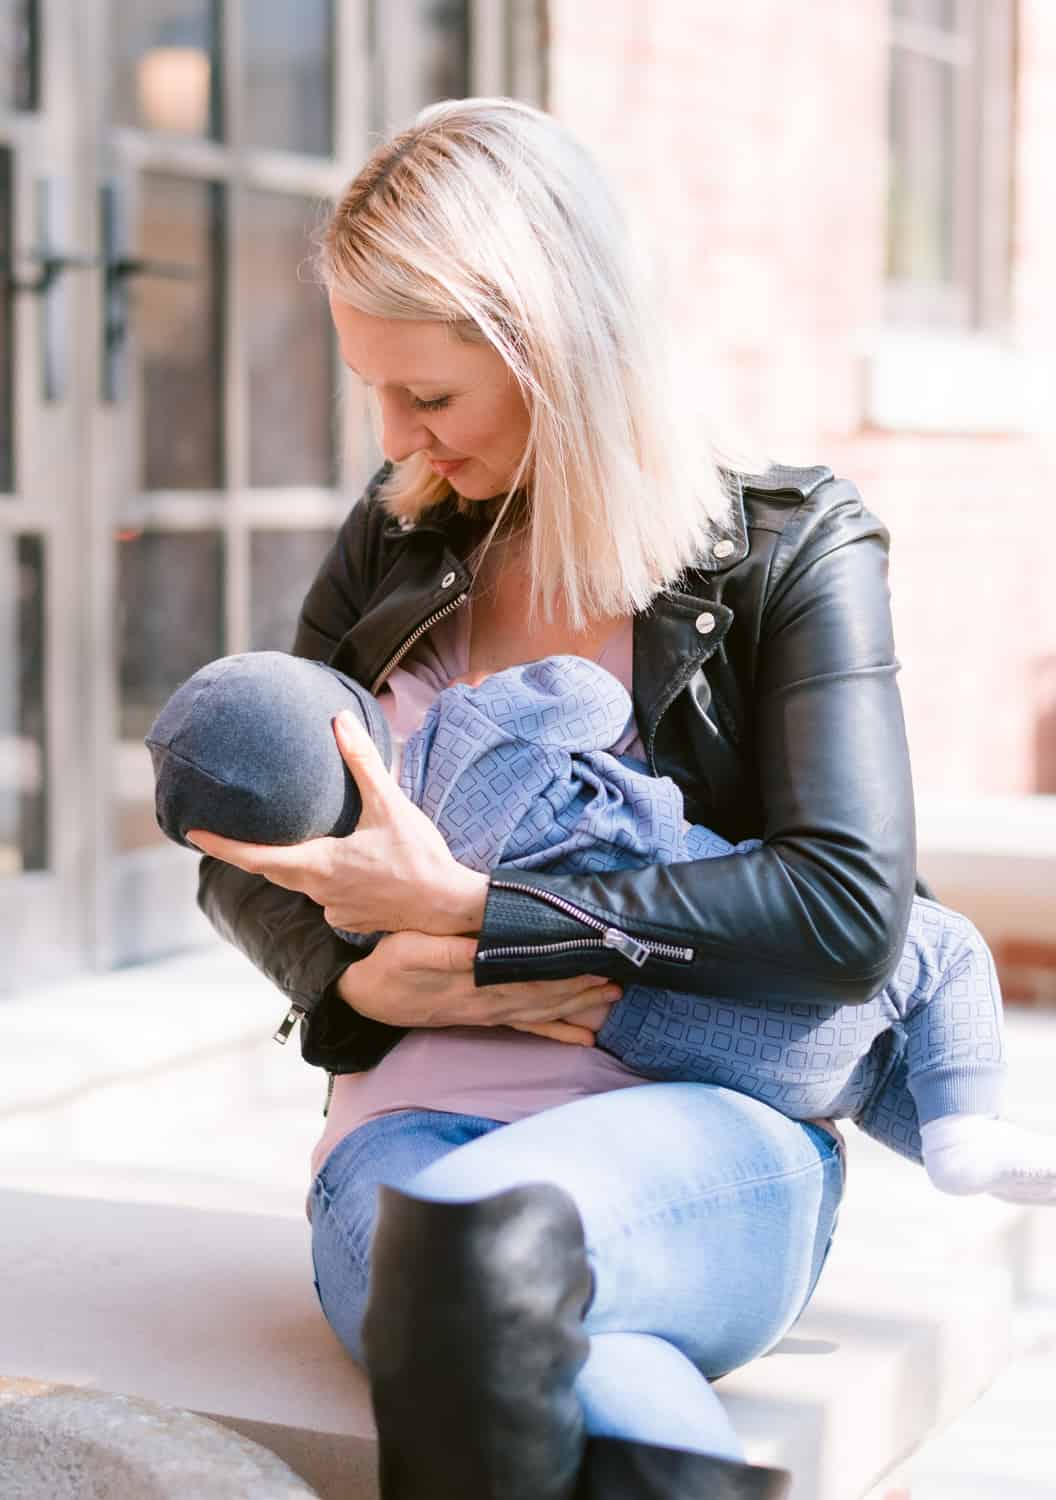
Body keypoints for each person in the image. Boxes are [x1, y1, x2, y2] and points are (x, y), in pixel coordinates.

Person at [187, 95, 930, 1500]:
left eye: (433, 396)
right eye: (377, 391)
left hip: (703, 1135)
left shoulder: (788, 551)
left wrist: (477, 914)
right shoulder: (399, 532)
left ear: (560, 350)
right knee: (556, 1334)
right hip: (402, 1135)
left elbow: (848, 904)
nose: (400, 438)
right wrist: (367, 993)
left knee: (481, 1242)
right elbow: (249, 838)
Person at [155, 647, 1056, 1210]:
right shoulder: (474, 728)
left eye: (430, 398)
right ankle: (966, 1133)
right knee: (944, 950)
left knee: (860, 1084)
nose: (405, 432)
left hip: (657, 1037)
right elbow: (594, 694)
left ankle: (966, 1138)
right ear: (347, 720)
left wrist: (437, 928)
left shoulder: (352, 904)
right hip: (726, 962)